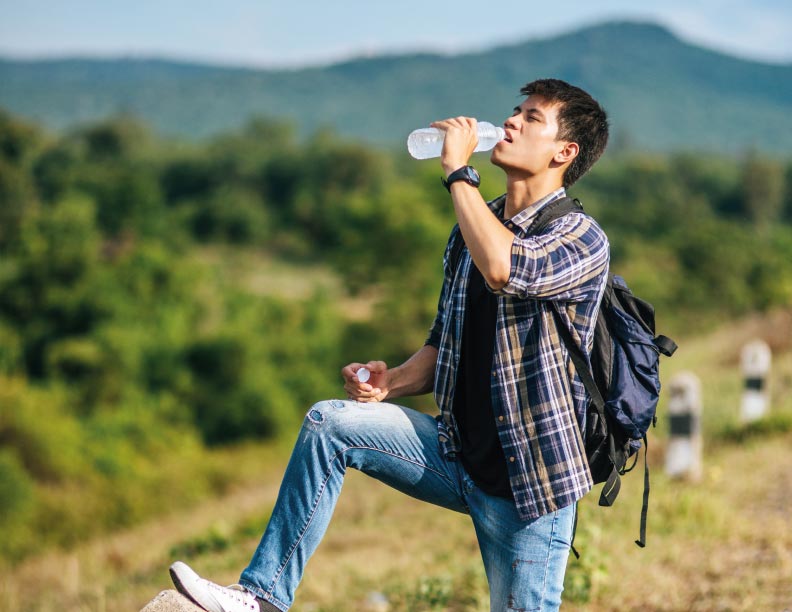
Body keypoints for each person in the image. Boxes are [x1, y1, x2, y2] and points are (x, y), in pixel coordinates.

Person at [169, 78, 610, 612]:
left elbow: (502, 268)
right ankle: (261, 598)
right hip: (457, 455)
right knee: (330, 425)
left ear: (566, 152)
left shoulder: (580, 236)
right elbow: (442, 344)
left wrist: (457, 173)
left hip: (531, 488)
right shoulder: (471, 227)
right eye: (515, 111)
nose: (511, 122)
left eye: (532, 118)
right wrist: (391, 381)